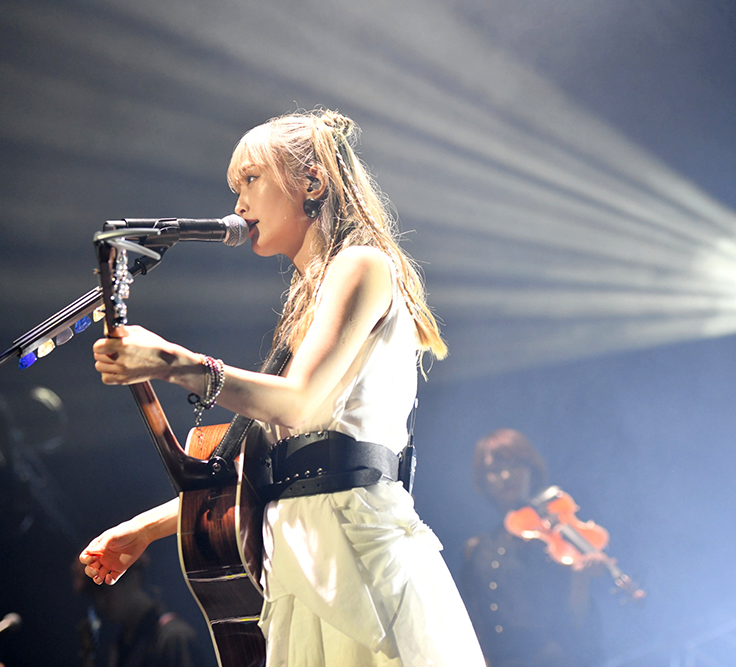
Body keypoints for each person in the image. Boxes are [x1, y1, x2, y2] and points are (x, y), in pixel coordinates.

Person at [79, 109, 486, 667]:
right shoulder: (308, 301)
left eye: (251, 179)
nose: (239, 203)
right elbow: (267, 473)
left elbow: (297, 404)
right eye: (235, 187)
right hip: (301, 553)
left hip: (358, 556)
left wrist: (173, 362)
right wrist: (144, 530)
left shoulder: (361, 264)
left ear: (312, 182)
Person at [461, 429, 604, 667]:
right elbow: (474, 627)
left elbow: (580, 631)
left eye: (514, 464)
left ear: (530, 469)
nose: (506, 475)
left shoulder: (553, 539)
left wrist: (581, 580)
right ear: (483, 481)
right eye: (495, 470)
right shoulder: (476, 550)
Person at [72, 556, 207, 667]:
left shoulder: (175, 638)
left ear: (133, 577)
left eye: (106, 591)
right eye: (94, 596)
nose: (100, 602)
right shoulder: (122, 644)